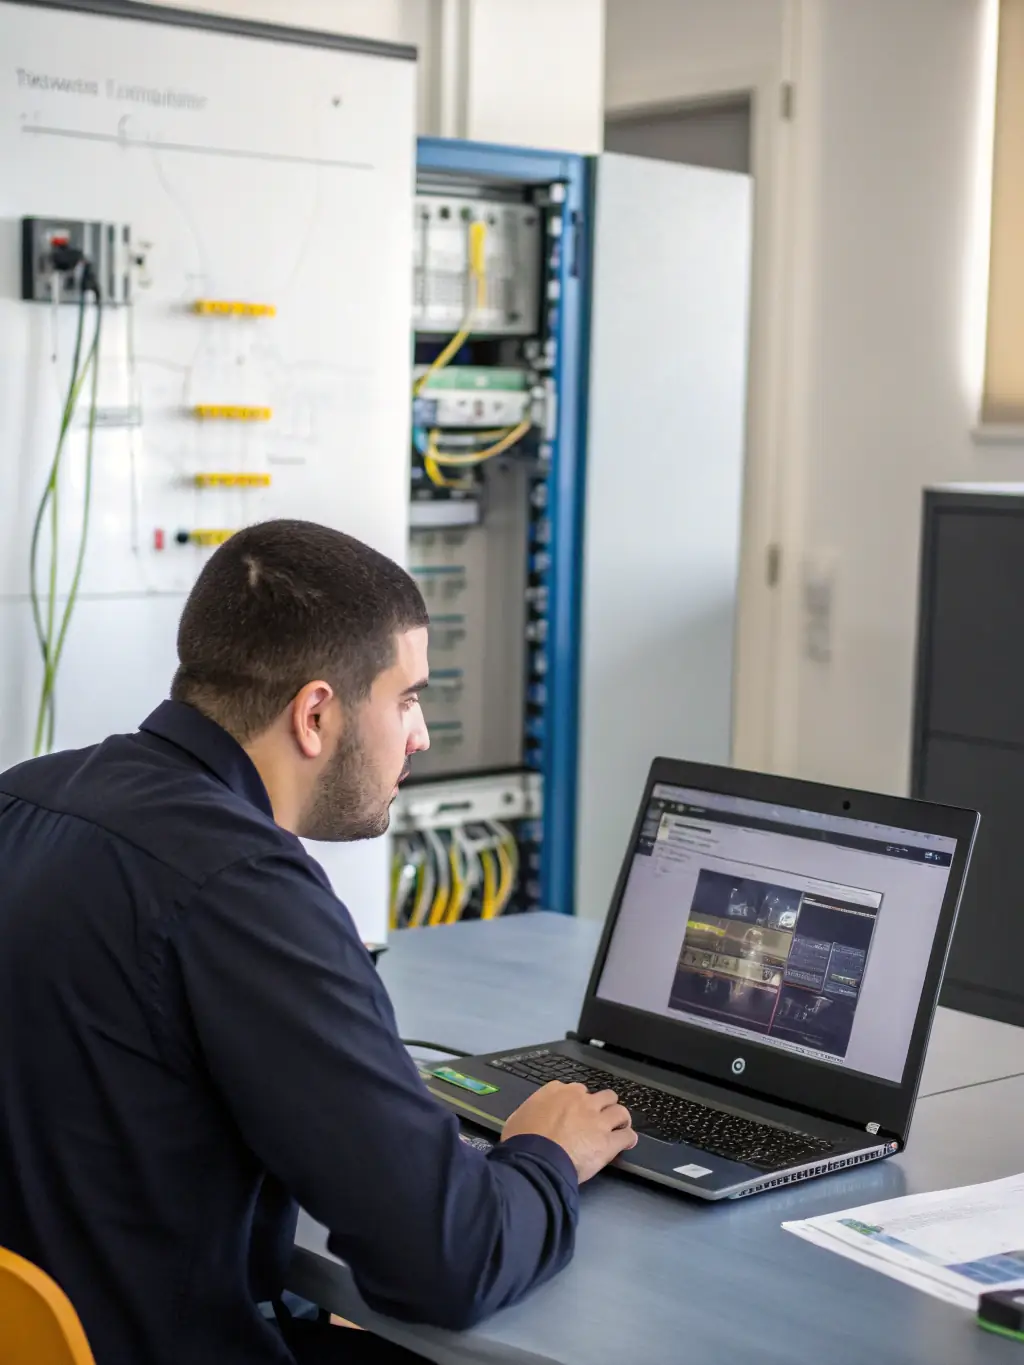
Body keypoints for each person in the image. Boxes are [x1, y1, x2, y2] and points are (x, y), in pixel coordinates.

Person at [0, 520, 636, 1365]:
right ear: (315, 714)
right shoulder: (246, 888)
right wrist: (545, 1153)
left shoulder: (26, 798)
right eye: (406, 699)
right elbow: (449, 1261)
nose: (421, 736)